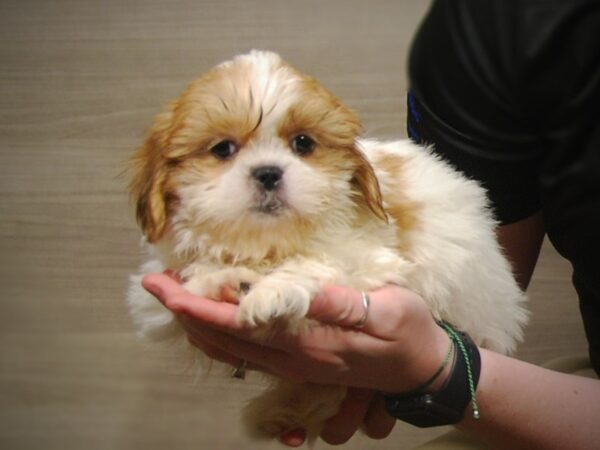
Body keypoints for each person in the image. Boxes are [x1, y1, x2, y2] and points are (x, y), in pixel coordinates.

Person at [141, 0, 600, 448]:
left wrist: (441, 371)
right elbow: (156, 312)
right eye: (223, 150)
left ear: (356, 174)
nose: (268, 171)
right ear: (163, 181)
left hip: (473, 349)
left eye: (302, 144)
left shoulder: (356, 217)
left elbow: (374, 270)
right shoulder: (490, 28)